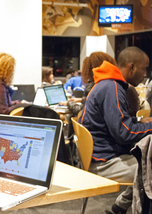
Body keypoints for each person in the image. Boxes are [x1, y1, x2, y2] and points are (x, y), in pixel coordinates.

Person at [79, 46, 152, 214]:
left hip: (99, 154)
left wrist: (139, 121)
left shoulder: (108, 84)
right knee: (149, 167)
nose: (146, 74)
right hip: (103, 162)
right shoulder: (112, 88)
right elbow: (124, 133)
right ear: (132, 67)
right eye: (144, 68)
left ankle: (119, 207)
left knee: (146, 160)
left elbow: (116, 124)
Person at [59, 52, 117, 116]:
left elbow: (82, 111)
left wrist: (69, 103)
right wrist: (80, 99)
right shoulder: (113, 83)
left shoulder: (95, 85)